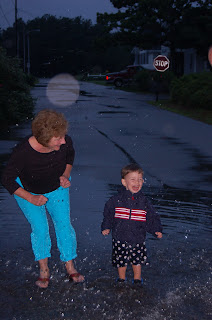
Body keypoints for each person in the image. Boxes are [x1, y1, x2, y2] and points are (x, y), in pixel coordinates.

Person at [1, 109, 84, 288]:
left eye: (63, 136)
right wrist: (30, 198)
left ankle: (69, 265)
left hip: (56, 187)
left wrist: (65, 174)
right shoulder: (23, 152)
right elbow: (6, 179)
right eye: (57, 138)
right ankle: (44, 269)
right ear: (44, 139)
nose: (63, 141)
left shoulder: (64, 141)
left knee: (63, 224)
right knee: (40, 228)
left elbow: (70, 155)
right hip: (27, 190)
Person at [101, 163, 162, 284]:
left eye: (140, 180)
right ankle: (121, 278)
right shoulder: (116, 200)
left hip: (138, 237)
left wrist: (156, 229)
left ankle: (137, 279)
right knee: (121, 260)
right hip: (120, 237)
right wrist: (106, 227)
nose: (137, 183)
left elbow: (152, 217)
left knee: (136, 260)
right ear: (124, 182)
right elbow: (108, 214)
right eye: (133, 179)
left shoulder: (144, 202)